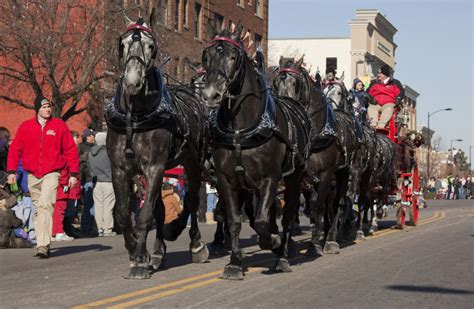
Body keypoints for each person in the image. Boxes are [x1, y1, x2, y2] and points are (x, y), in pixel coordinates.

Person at [7, 95, 79, 258]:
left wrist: (73, 173)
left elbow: (70, 150)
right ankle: (41, 242)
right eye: (44, 107)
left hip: (52, 172)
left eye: (49, 107)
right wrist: (12, 171)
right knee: (38, 208)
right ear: (37, 109)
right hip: (32, 174)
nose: (48, 109)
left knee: (46, 204)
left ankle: (42, 245)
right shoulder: (26, 127)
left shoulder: (59, 126)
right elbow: (15, 149)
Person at [88, 132, 116, 237]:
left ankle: (99, 228)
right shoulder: (109, 153)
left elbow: (89, 167)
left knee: (98, 206)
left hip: (96, 182)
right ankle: (107, 228)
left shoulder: (91, 152)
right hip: (108, 181)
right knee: (108, 206)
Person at [367, 64, 405, 128]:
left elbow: (400, 93)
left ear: (385, 74)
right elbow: (368, 92)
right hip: (376, 104)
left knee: (389, 109)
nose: (378, 75)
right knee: (371, 108)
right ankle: (373, 126)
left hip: (389, 104)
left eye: (380, 73)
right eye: (378, 73)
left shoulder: (395, 82)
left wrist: (398, 98)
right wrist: (370, 98)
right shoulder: (374, 83)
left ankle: (380, 127)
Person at [79, 127, 96, 235]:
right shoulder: (81, 147)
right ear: (85, 137)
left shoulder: (96, 147)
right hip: (87, 178)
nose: (92, 137)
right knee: (88, 204)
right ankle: (86, 227)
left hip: (96, 178)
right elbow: (78, 162)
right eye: (90, 135)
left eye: (93, 135)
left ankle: (93, 226)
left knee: (95, 204)